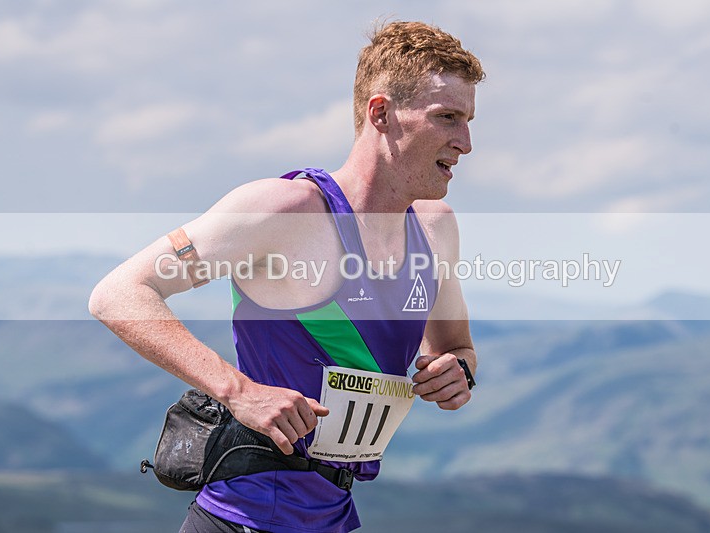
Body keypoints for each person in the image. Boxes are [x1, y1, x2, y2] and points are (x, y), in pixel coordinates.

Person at [89, 20, 484, 533]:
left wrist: (457, 372)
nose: (467, 143)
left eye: (469, 120)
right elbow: (117, 293)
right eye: (447, 117)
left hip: (335, 516)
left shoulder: (435, 228)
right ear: (381, 113)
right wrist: (239, 391)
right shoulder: (287, 211)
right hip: (242, 516)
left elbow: (456, 348)